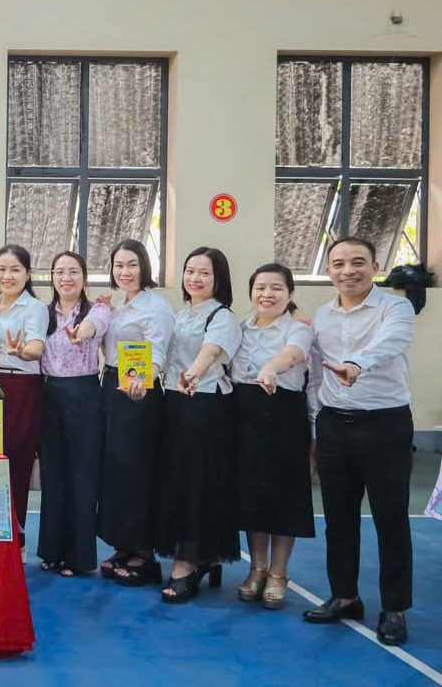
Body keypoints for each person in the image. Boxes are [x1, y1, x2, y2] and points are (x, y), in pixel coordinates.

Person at [303, 237, 416, 646]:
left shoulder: (396, 309)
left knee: (391, 519)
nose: (348, 271)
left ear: (375, 266)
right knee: (338, 518)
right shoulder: (321, 316)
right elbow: (316, 376)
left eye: (357, 262)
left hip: (385, 424)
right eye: (338, 264)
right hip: (334, 424)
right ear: (328, 270)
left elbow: (391, 344)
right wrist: (315, 429)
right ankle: (345, 596)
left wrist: (356, 364)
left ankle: (395, 608)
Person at [157, 247, 242, 603]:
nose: (195, 278)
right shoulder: (181, 314)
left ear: (218, 279)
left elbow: (210, 352)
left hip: (204, 404)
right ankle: (204, 555)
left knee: (197, 483)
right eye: (190, 271)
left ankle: (189, 561)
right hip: (174, 402)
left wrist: (192, 374)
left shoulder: (223, 316)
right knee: (177, 480)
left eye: (204, 273)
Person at [230, 263, 314, 610]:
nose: (267, 294)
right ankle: (257, 567)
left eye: (276, 288)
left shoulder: (299, 330)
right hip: (244, 416)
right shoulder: (239, 328)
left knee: (284, 496)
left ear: (290, 293)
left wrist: (270, 368)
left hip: (284, 416)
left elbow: (291, 355)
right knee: (252, 494)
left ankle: (279, 572)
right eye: (260, 287)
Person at [97, 239, 174, 586]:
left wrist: (145, 381)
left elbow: (157, 352)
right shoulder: (119, 305)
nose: (124, 271)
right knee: (116, 472)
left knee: (138, 473)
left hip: (139, 392)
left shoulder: (155, 307)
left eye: (131, 264)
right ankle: (124, 545)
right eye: (118, 265)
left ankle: (145, 554)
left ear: (144, 266)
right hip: (113, 388)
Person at [37, 251, 109, 577]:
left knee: (82, 477)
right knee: (53, 475)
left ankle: (78, 557)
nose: (66, 278)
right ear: (52, 277)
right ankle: (51, 550)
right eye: (60, 272)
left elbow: (95, 327)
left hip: (84, 396)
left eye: (73, 271)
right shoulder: (43, 314)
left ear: (84, 277)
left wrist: (83, 331)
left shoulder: (98, 310)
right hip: (48, 394)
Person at [0, 244, 47, 555]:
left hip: (23, 387)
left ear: (27, 274)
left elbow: (36, 349)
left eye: (15, 270)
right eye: (2, 269)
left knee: (17, 462)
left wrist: (19, 351)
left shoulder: (34, 308)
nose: (7, 276)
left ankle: (17, 541)